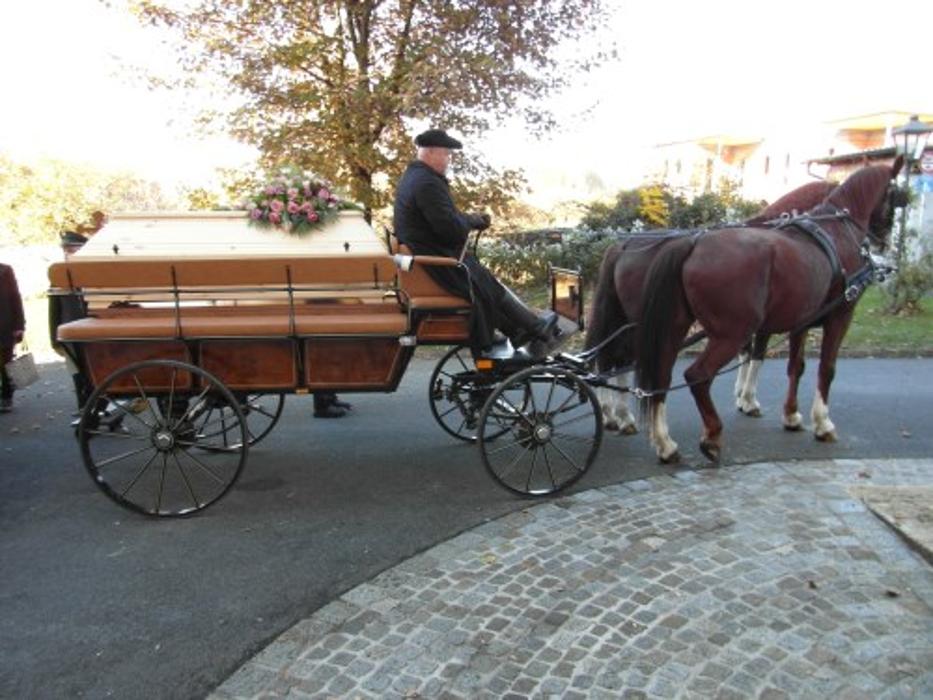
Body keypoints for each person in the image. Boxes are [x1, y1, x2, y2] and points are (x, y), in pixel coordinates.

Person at [393, 128, 558, 355]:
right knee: (483, 281)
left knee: (482, 279)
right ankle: (533, 326)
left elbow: (446, 219)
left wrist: (470, 220)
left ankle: (519, 330)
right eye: (446, 154)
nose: (448, 160)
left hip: (429, 252)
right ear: (431, 152)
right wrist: (471, 222)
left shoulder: (416, 178)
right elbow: (449, 230)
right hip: (435, 257)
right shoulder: (427, 184)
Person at [0, 262, 26, 413]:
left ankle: (6, 395)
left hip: (4, 324)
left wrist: (19, 325)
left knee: (5, 362)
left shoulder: (5, 270)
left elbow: (15, 297)